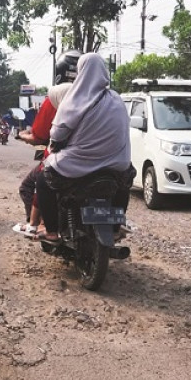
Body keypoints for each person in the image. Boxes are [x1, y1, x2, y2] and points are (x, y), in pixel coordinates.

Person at [36, 52, 135, 242]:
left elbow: (57, 134)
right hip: (116, 164)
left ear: (81, 72)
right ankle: (115, 228)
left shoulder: (75, 98)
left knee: (42, 180)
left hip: (79, 165)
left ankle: (51, 230)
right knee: (124, 185)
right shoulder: (116, 98)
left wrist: (57, 144)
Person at [14, 50, 81, 235]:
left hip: (64, 160)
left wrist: (23, 136)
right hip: (100, 159)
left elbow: (39, 136)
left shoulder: (55, 98)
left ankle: (40, 224)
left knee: (31, 184)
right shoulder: (101, 98)